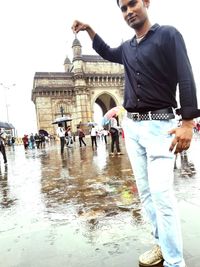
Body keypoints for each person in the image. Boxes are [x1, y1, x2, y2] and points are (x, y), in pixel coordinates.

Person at [72, 1, 200, 266]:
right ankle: (162, 245)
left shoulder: (168, 35)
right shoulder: (128, 49)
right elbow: (107, 52)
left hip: (160, 126)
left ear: (147, 3)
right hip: (133, 129)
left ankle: (175, 263)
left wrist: (187, 122)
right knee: (146, 195)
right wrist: (90, 30)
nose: (129, 11)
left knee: (162, 198)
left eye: (133, 4)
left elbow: (186, 76)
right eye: (123, 8)